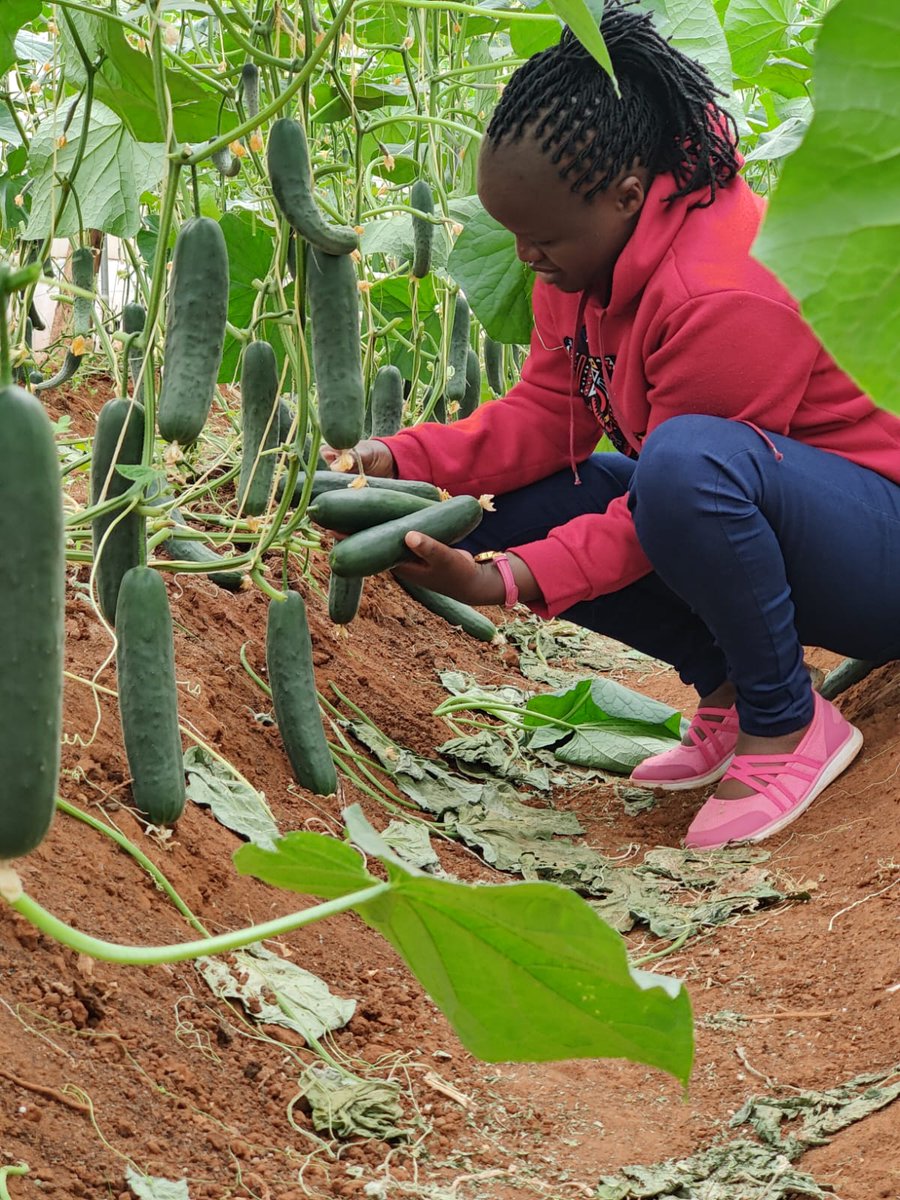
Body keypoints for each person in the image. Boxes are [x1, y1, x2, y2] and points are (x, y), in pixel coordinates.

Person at [324, 0, 900, 849]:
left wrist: (510, 582)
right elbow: (543, 418)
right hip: (778, 522)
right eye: (513, 232)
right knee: (524, 499)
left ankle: (788, 723)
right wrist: (394, 457)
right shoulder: (580, 249)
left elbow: (676, 502)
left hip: (879, 552)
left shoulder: (723, 289)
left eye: (542, 236)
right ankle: (731, 691)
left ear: (628, 193)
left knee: (681, 466)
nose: (526, 256)